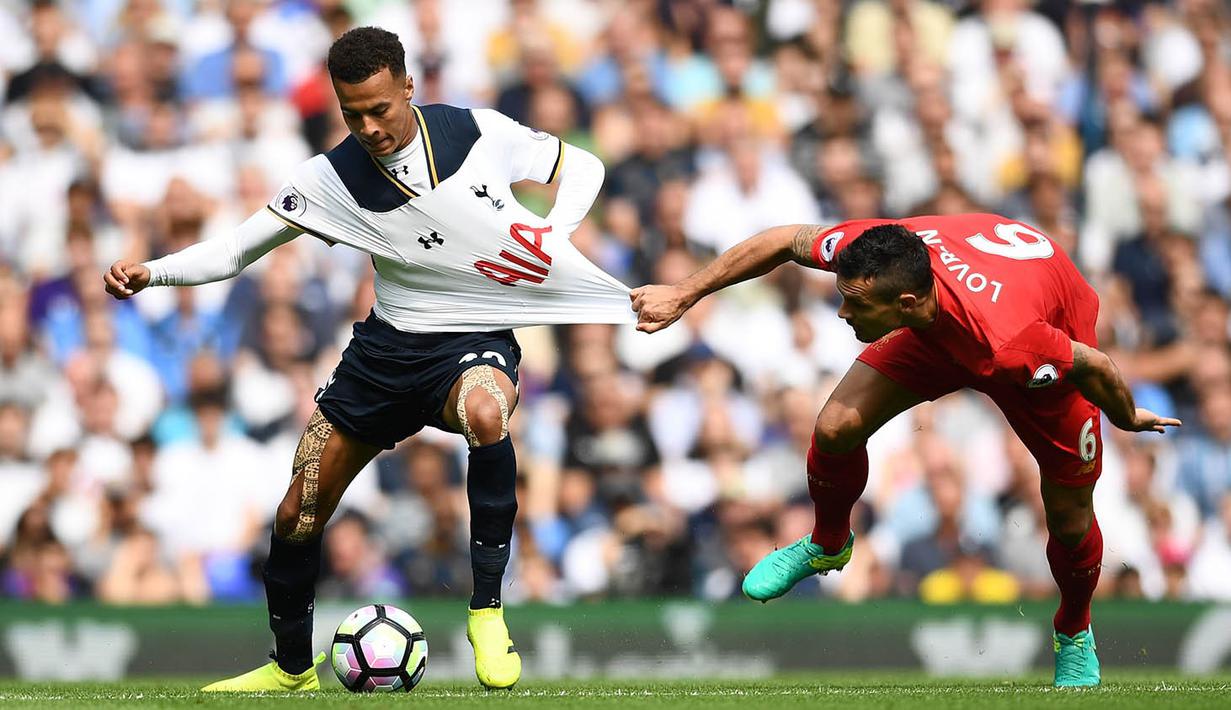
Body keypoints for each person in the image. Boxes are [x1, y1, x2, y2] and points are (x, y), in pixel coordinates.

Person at [103, 26, 632, 692]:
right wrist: (151, 271)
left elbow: (581, 166)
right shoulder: (329, 179)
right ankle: (291, 669)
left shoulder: (475, 133)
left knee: (485, 414)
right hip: (385, 352)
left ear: (407, 86)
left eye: (380, 109)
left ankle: (487, 614)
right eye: (353, 113)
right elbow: (236, 251)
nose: (370, 126)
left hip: (473, 336)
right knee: (297, 509)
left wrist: (551, 236)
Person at [630, 214, 1181, 688]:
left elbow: (1098, 364)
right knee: (836, 426)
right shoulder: (877, 252)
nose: (842, 315)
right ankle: (828, 544)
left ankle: (1074, 631)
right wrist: (685, 292)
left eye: (853, 304)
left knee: (1068, 516)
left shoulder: (1015, 345)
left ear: (905, 300)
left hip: (1034, 344)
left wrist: (1125, 416)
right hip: (955, 316)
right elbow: (782, 241)